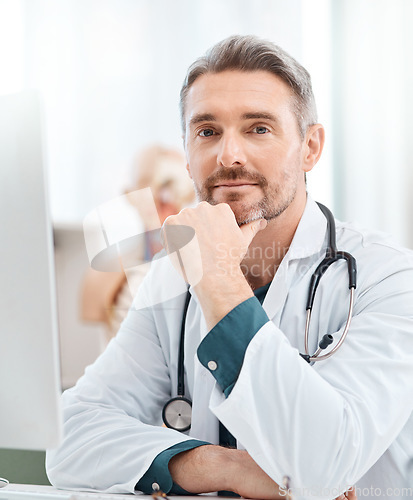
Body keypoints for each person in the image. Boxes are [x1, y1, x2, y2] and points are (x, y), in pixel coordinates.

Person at [46, 35, 413, 500]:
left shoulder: (389, 279)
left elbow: (323, 468)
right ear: (187, 151)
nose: (228, 156)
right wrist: (224, 466)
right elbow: (70, 440)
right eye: (207, 131)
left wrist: (218, 278)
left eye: (258, 128)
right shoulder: (170, 279)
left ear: (311, 148)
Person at [81, 145, 195, 341]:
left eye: (173, 184)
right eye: (149, 183)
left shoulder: (203, 264)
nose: (164, 196)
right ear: (130, 194)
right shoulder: (106, 269)